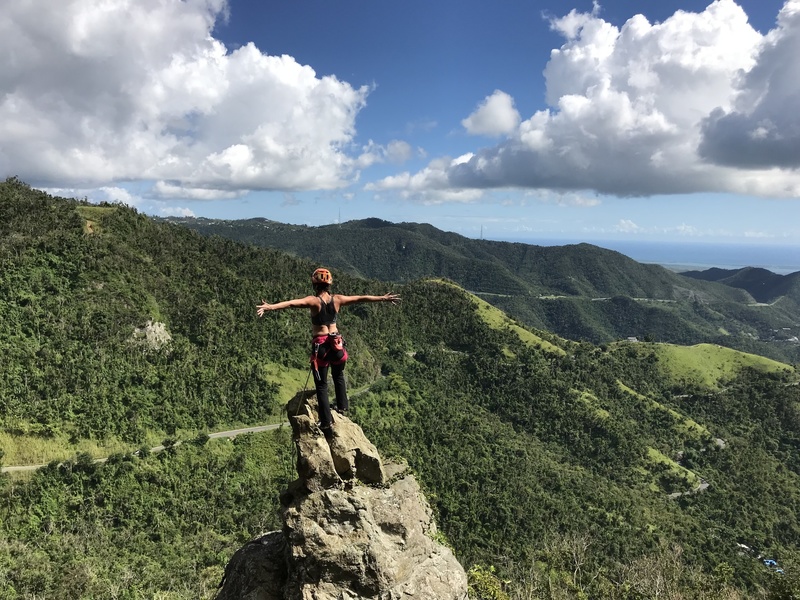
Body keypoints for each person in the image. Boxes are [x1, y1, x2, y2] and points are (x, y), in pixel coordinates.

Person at [256, 267, 400, 434]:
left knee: (322, 386)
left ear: (314, 284)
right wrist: (382, 298)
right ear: (329, 284)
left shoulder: (313, 301)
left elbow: (291, 303)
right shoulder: (337, 299)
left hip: (321, 347)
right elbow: (360, 298)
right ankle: (342, 407)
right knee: (338, 375)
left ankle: (326, 423)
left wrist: (270, 307)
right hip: (337, 343)